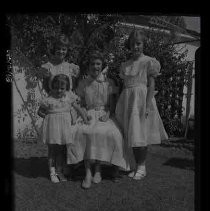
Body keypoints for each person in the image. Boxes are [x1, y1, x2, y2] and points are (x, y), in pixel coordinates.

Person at [67, 51, 130, 189]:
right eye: (92, 64)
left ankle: (98, 169)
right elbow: (81, 102)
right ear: (88, 66)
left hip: (105, 113)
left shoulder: (109, 82)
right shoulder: (84, 83)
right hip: (88, 113)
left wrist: (108, 114)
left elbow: (112, 103)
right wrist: (84, 114)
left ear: (102, 65)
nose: (95, 67)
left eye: (98, 64)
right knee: (82, 131)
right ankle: (88, 172)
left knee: (111, 133)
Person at [115, 29, 168, 180]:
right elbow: (124, 87)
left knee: (141, 135)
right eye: (132, 44)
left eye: (138, 43)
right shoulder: (125, 65)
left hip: (141, 102)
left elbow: (151, 86)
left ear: (143, 44)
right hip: (128, 101)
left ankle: (142, 166)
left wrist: (147, 105)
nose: (135, 47)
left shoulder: (148, 62)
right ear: (129, 46)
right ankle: (136, 165)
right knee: (133, 135)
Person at [37, 74, 89, 183]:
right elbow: (39, 112)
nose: (59, 91)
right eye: (56, 88)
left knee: (60, 150)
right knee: (52, 150)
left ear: (67, 88)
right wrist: (47, 116)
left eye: (62, 88)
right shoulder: (48, 100)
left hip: (63, 129)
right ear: (52, 87)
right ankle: (52, 172)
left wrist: (85, 119)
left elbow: (78, 108)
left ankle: (59, 171)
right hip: (52, 129)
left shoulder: (69, 98)